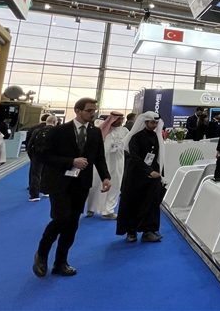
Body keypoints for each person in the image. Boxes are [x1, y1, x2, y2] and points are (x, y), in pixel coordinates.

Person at [33, 97, 111, 278]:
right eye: (89, 110)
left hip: (81, 184)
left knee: (72, 224)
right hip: (59, 183)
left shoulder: (95, 133)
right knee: (61, 218)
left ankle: (61, 262)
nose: (93, 114)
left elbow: (99, 157)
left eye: (94, 110)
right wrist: (71, 161)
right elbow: (43, 156)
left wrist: (106, 177)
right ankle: (41, 255)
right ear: (77, 110)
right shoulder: (59, 131)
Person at [117, 111, 165, 242]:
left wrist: (159, 174)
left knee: (151, 203)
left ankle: (148, 231)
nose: (154, 125)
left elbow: (158, 157)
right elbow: (134, 157)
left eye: (156, 123)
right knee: (133, 203)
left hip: (152, 176)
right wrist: (149, 171)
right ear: (145, 122)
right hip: (136, 176)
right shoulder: (136, 137)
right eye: (152, 122)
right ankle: (131, 232)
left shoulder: (156, 137)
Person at [85, 112, 127, 219]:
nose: (120, 121)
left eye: (121, 119)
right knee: (95, 184)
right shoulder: (102, 130)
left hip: (117, 162)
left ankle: (108, 210)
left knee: (115, 185)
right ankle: (91, 208)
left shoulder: (124, 131)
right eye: (118, 119)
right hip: (101, 163)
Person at [27, 115, 57, 202]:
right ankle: (46, 191)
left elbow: (30, 145)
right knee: (48, 173)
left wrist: (32, 156)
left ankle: (34, 195)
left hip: (37, 155)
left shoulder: (37, 130)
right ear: (55, 122)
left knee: (35, 175)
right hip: (50, 157)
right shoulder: (57, 131)